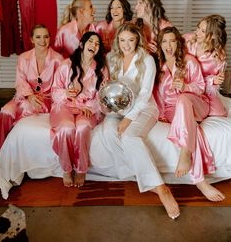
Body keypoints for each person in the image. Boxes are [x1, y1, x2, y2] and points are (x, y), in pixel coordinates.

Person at [100, 23, 180, 220]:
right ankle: (141, 178)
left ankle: (162, 189)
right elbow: (110, 85)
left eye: (131, 40)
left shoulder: (146, 59)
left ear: (137, 40)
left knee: (128, 137)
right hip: (119, 108)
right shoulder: (112, 58)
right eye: (122, 40)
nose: (126, 45)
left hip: (144, 108)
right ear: (118, 41)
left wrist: (128, 119)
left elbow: (144, 94)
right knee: (108, 131)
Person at [154, 26, 225, 202]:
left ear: (178, 43)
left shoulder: (189, 61)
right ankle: (200, 181)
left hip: (196, 104)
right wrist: (160, 113)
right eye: (164, 41)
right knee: (192, 129)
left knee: (183, 99)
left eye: (172, 41)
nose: (168, 45)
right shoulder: (158, 66)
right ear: (160, 44)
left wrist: (185, 87)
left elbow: (200, 87)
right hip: (172, 111)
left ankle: (185, 154)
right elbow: (156, 94)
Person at [50, 32, 109, 188]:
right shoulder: (66, 65)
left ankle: (81, 169)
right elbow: (55, 90)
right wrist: (65, 93)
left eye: (97, 44)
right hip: (65, 105)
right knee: (67, 128)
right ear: (82, 44)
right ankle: (66, 169)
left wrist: (92, 107)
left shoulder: (101, 69)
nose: (94, 45)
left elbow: (103, 95)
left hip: (88, 108)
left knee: (82, 128)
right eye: (91, 42)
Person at [0, 24, 63, 149]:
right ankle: (1, 147)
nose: (42, 41)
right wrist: (30, 95)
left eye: (46, 37)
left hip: (48, 100)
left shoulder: (58, 59)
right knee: (5, 112)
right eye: (38, 37)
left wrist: (39, 98)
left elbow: (60, 84)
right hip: (24, 96)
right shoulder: (23, 58)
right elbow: (20, 81)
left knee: (26, 109)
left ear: (50, 38)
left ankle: (17, 146)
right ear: (32, 39)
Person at [184, 14, 228, 117]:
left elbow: (214, 83)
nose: (197, 32)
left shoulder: (218, 56)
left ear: (213, 35)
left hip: (204, 88)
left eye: (203, 31)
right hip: (184, 82)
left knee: (219, 113)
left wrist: (213, 81)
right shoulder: (187, 40)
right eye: (198, 27)